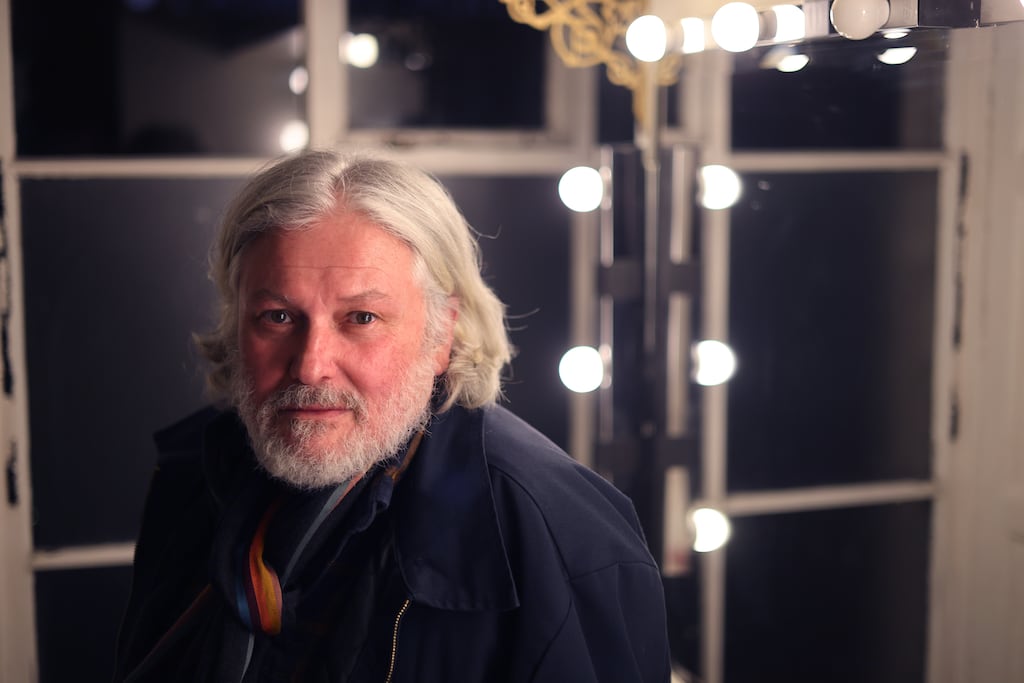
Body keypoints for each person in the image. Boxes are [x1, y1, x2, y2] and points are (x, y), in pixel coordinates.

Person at [114, 149, 671, 682]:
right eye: (278, 315)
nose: (310, 367)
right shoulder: (193, 475)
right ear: (238, 323)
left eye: (361, 317)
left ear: (441, 333)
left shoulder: (556, 535)